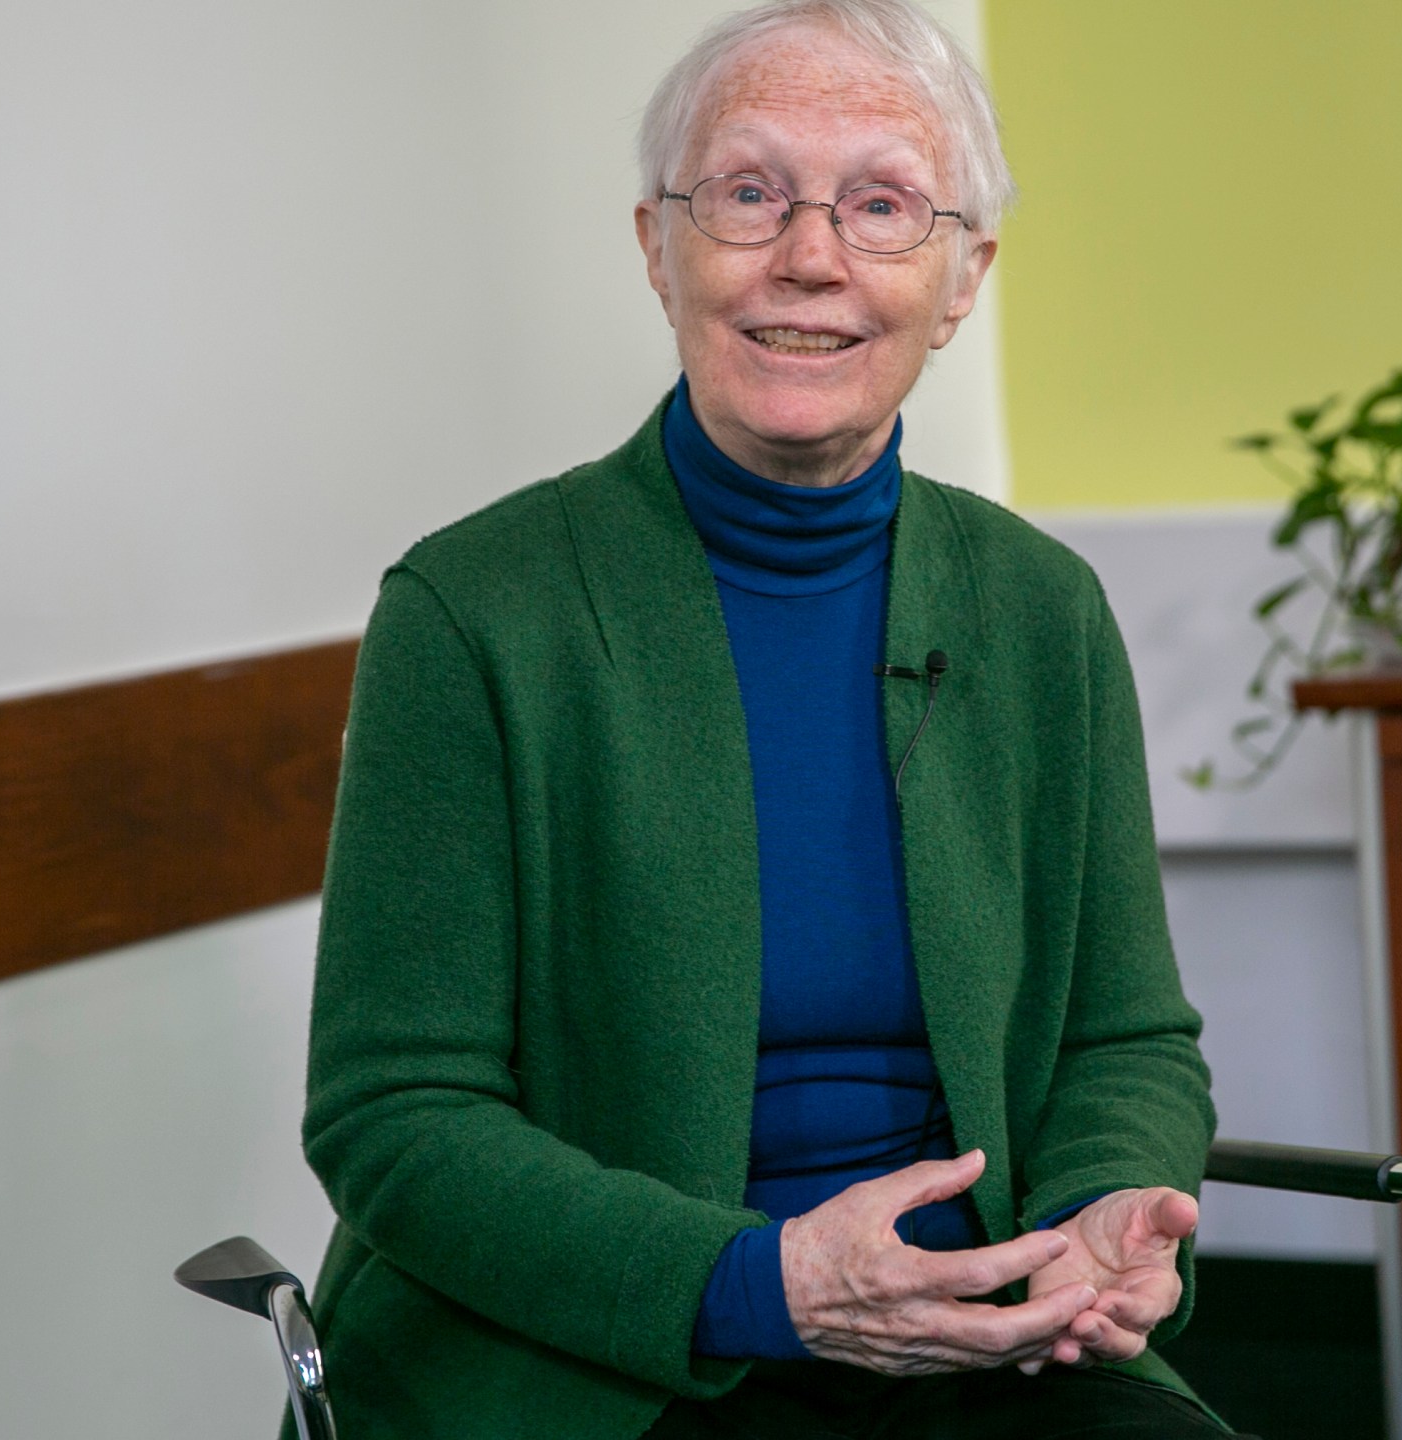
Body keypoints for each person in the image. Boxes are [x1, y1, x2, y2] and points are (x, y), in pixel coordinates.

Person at [300, 3, 1230, 1436]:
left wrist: (1104, 1211)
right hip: (602, 1355)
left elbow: (1125, 1037)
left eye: (882, 205)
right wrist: (764, 1281)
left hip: (984, 1333)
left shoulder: (1043, 609)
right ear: (657, 248)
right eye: (747, 193)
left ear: (965, 273)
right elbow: (396, 1116)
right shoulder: (472, 612)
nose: (811, 256)